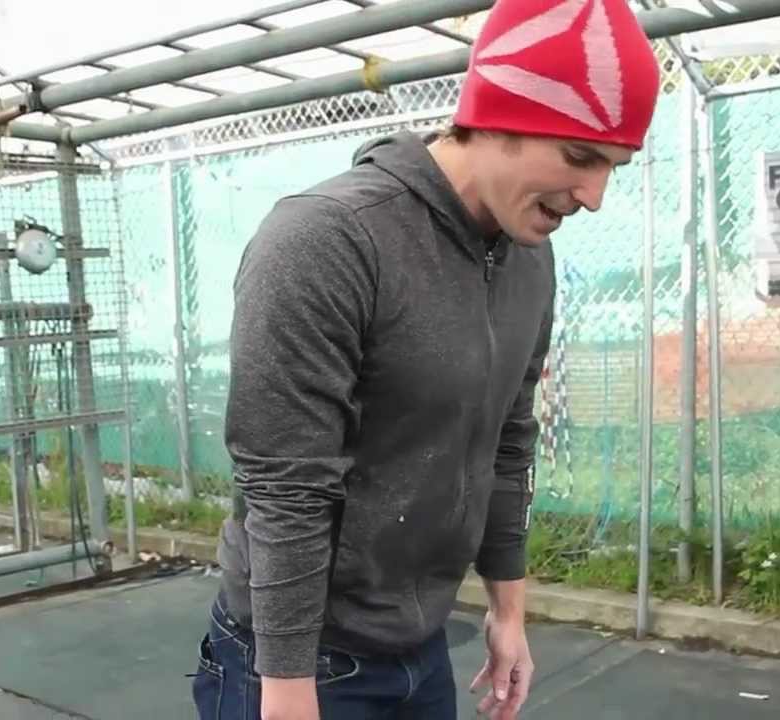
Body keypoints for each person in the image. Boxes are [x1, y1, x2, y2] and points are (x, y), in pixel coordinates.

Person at [191, 1, 660, 718]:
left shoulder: (528, 257)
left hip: (422, 647)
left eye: (613, 168)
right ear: (498, 115)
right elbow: (286, 486)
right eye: (579, 157)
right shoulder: (328, 240)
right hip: (295, 662)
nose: (594, 197)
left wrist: (508, 611)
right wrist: (287, 692)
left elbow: (508, 438)